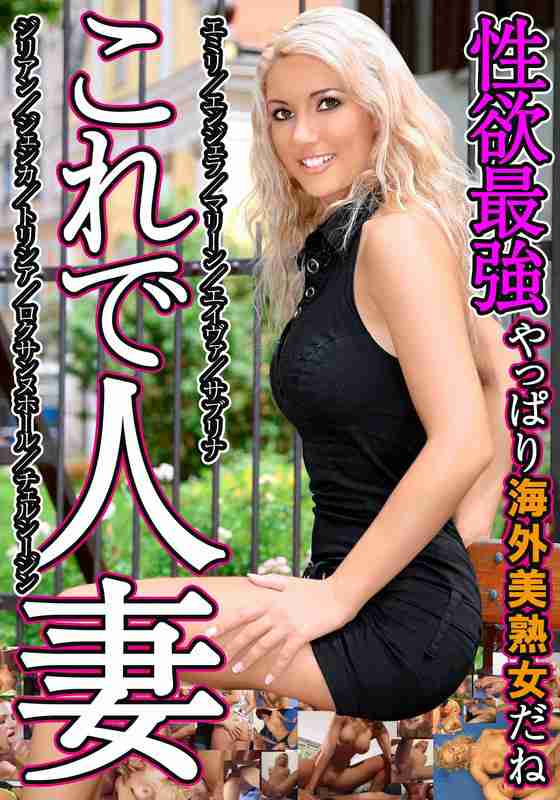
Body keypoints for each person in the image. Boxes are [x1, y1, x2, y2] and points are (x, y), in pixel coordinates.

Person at [22, 7, 514, 799]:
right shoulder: (343, 246)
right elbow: (492, 385)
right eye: (281, 112)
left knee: (90, 642)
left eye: (329, 103)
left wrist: (343, 594)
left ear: (379, 106)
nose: (301, 133)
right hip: (359, 588)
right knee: (87, 633)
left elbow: (463, 441)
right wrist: (438, 545)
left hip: (393, 614)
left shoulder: (398, 236)